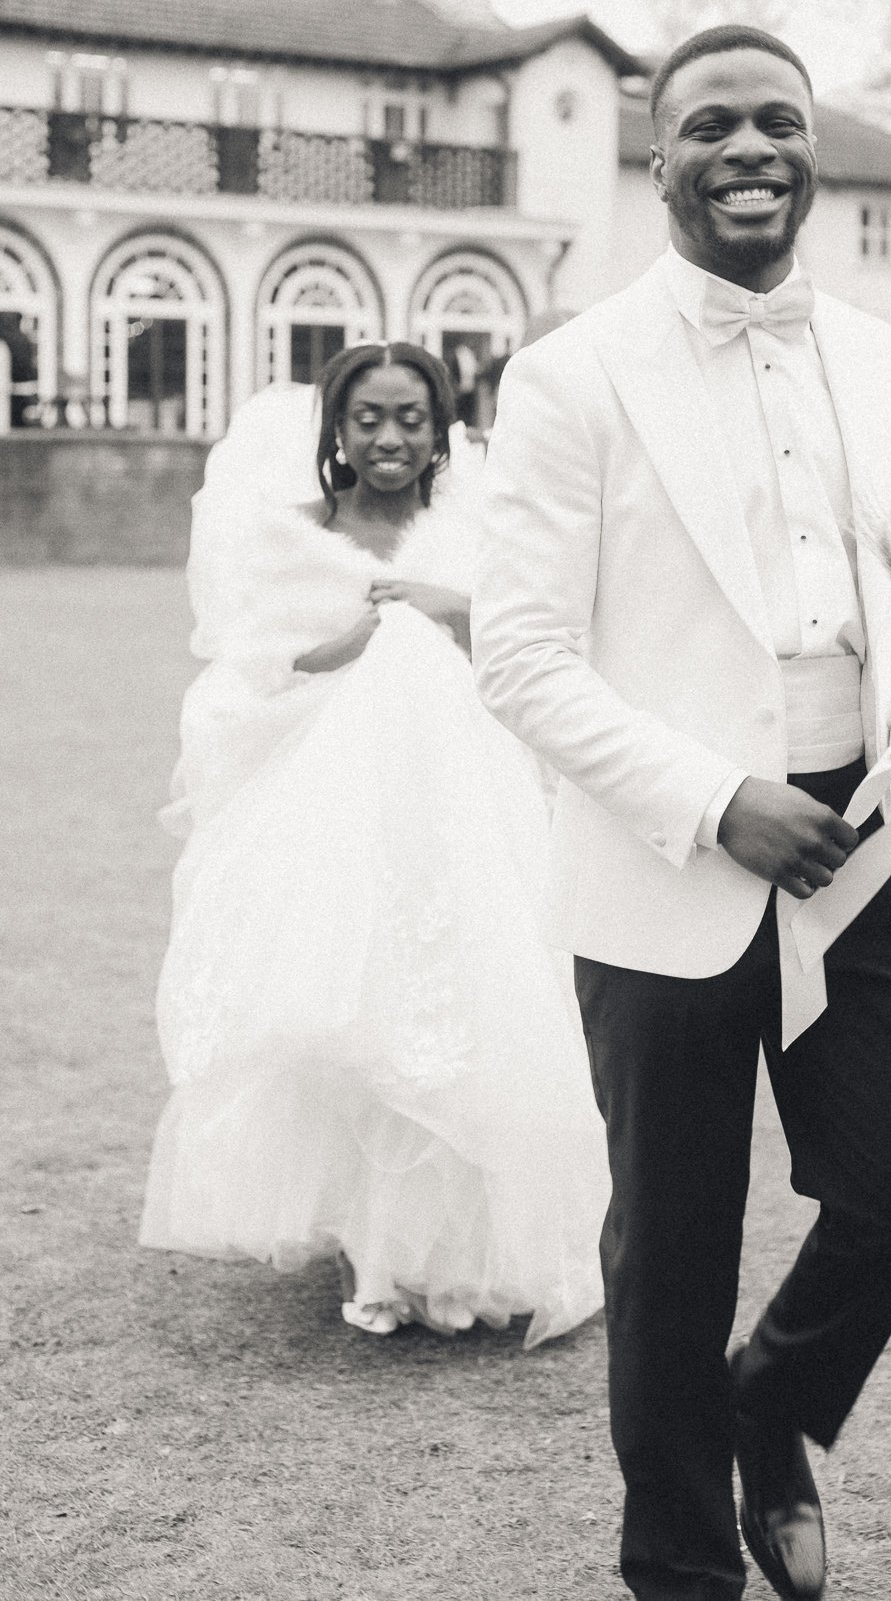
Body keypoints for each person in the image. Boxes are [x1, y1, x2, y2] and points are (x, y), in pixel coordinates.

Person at [473, 26, 891, 1600]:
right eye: (712, 127)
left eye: (777, 122)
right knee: (673, 1256)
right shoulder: (571, 373)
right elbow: (521, 654)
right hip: (668, 864)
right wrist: (712, 802)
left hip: (866, 851)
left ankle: (775, 1403)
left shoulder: (886, 357)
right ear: (661, 159)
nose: (749, 147)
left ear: (812, 149)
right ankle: (682, 1567)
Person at [140, 343, 608, 1345]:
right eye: (368, 419)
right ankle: (377, 1249)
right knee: (358, 1024)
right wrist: (346, 645)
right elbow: (248, 671)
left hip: (471, 817)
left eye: (409, 418)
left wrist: (453, 612)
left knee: (480, 1012)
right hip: (341, 826)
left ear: (441, 428)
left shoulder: (480, 528)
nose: (389, 438)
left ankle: (464, 1254)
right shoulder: (295, 538)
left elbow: (554, 641)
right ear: (336, 432)